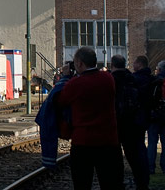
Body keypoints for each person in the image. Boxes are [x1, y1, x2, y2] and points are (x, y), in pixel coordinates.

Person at [55, 46, 124, 190]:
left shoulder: (75, 84)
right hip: (109, 140)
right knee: (111, 183)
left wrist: (66, 77)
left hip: (83, 142)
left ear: (79, 63)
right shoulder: (108, 78)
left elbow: (60, 100)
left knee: (82, 183)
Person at [110, 55, 149, 190]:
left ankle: (117, 183)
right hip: (132, 123)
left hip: (115, 124)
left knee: (115, 157)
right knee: (134, 156)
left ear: (112, 65)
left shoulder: (110, 80)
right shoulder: (133, 78)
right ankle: (142, 183)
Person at [148, 60, 165, 174]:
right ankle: (164, 167)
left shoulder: (154, 81)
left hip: (154, 115)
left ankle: (150, 167)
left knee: (152, 143)